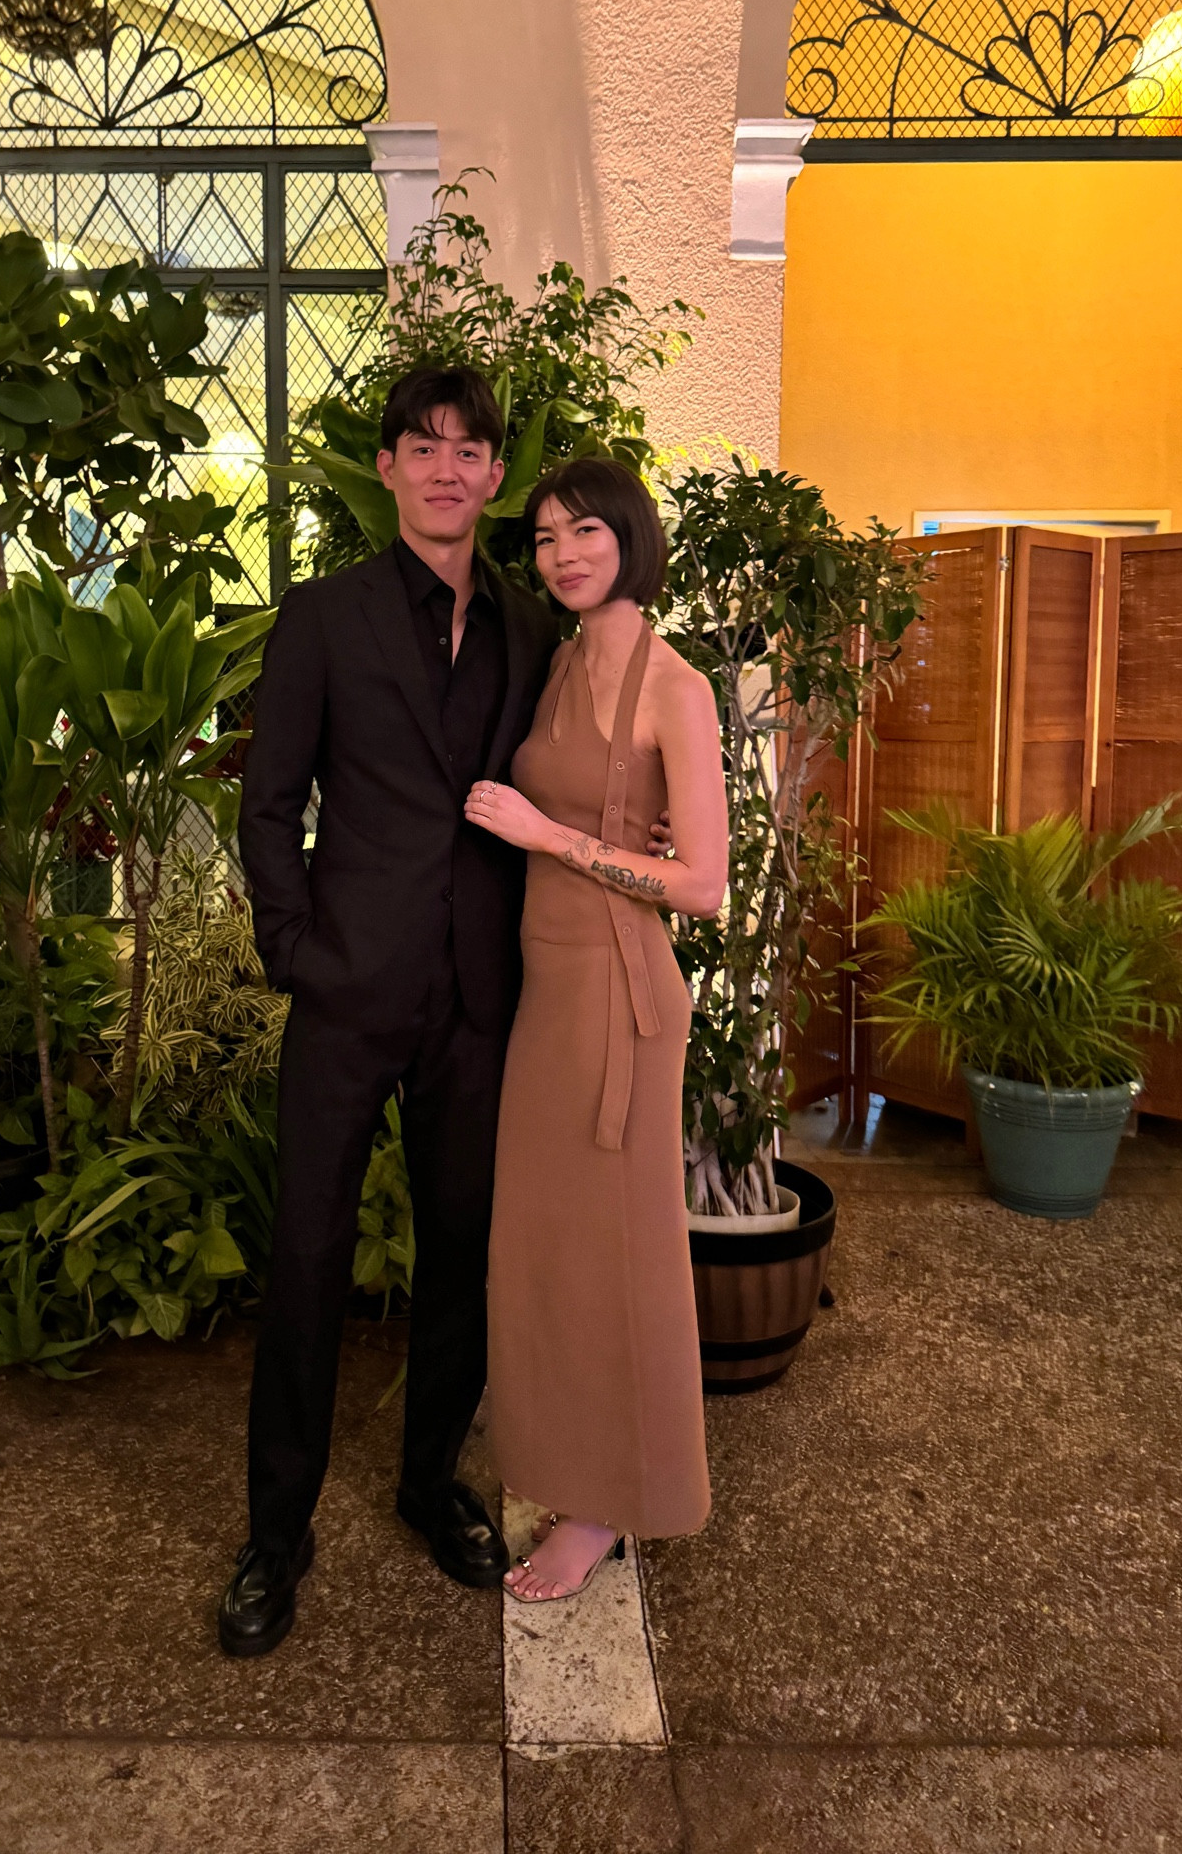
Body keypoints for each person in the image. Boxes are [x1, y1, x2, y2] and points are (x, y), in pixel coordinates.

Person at [222, 368, 670, 1657]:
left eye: (469, 451)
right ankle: (276, 1531)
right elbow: (269, 802)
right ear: (387, 468)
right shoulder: (324, 616)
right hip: (347, 990)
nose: (445, 468)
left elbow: (580, 773)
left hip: (484, 995)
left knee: (465, 1254)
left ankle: (431, 1483)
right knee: (307, 1254)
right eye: (422, 447)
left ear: (494, 477)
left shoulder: (536, 629)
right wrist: (296, 948)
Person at [464, 456, 729, 1600]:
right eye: (544, 537)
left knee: (621, 1258)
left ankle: (613, 1503)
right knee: (551, 1254)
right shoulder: (562, 659)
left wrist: (548, 835)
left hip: (619, 1000)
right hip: (547, 992)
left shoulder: (677, 686)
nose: (563, 553)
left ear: (631, 537)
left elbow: (703, 883)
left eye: (585, 531)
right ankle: (572, 1470)